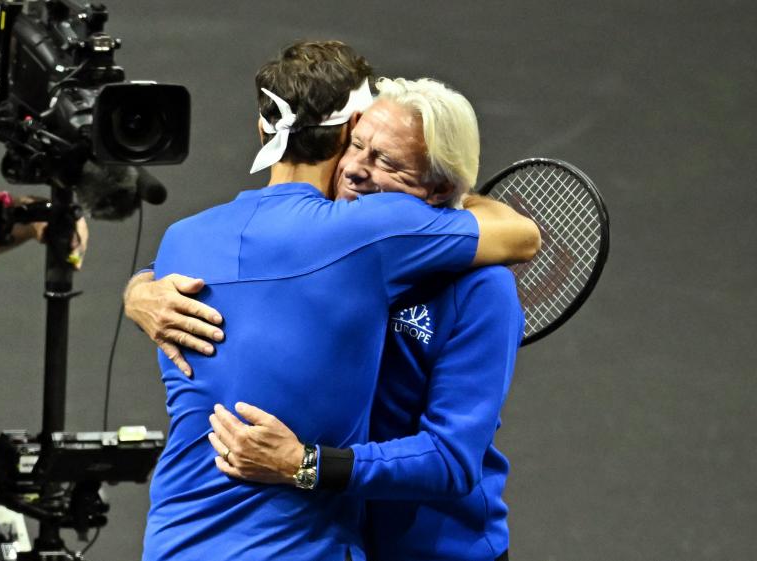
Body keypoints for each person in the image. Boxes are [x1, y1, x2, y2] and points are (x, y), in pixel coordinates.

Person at [135, 41, 538, 561]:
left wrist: (305, 464)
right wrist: (140, 291)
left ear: (438, 191)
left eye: (386, 161)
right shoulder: (347, 234)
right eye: (358, 145)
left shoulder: (478, 287)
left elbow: (451, 460)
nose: (356, 169)